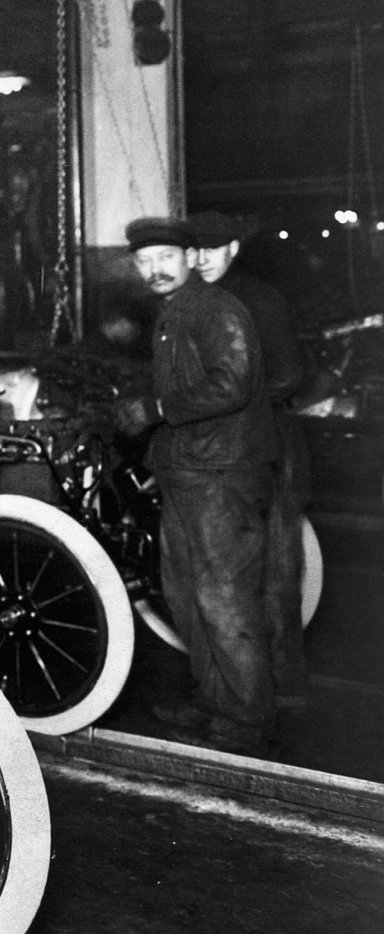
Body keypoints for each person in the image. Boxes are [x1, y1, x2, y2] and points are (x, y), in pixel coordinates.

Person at [112, 217, 278, 755]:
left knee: (224, 597)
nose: (155, 269)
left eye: (166, 257)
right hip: (189, 472)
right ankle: (212, 702)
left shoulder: (215, 309)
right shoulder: (175, 313)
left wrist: (157, 409)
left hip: (220, 475)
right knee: (187, 595)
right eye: (144, 261)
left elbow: (232, 384)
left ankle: (246, 719)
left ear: (189, 258)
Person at [188, 210, 310, 705]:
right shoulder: (197, 301)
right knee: (235, 577)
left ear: (233, 249)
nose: (202, 258)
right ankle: (247, 692)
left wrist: (232, 404)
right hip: (236, 444)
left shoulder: (258, 299)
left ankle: (284, 689)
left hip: (273, 443)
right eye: (194, 250)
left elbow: (289, 374)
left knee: (275, 571)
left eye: (212, 249)